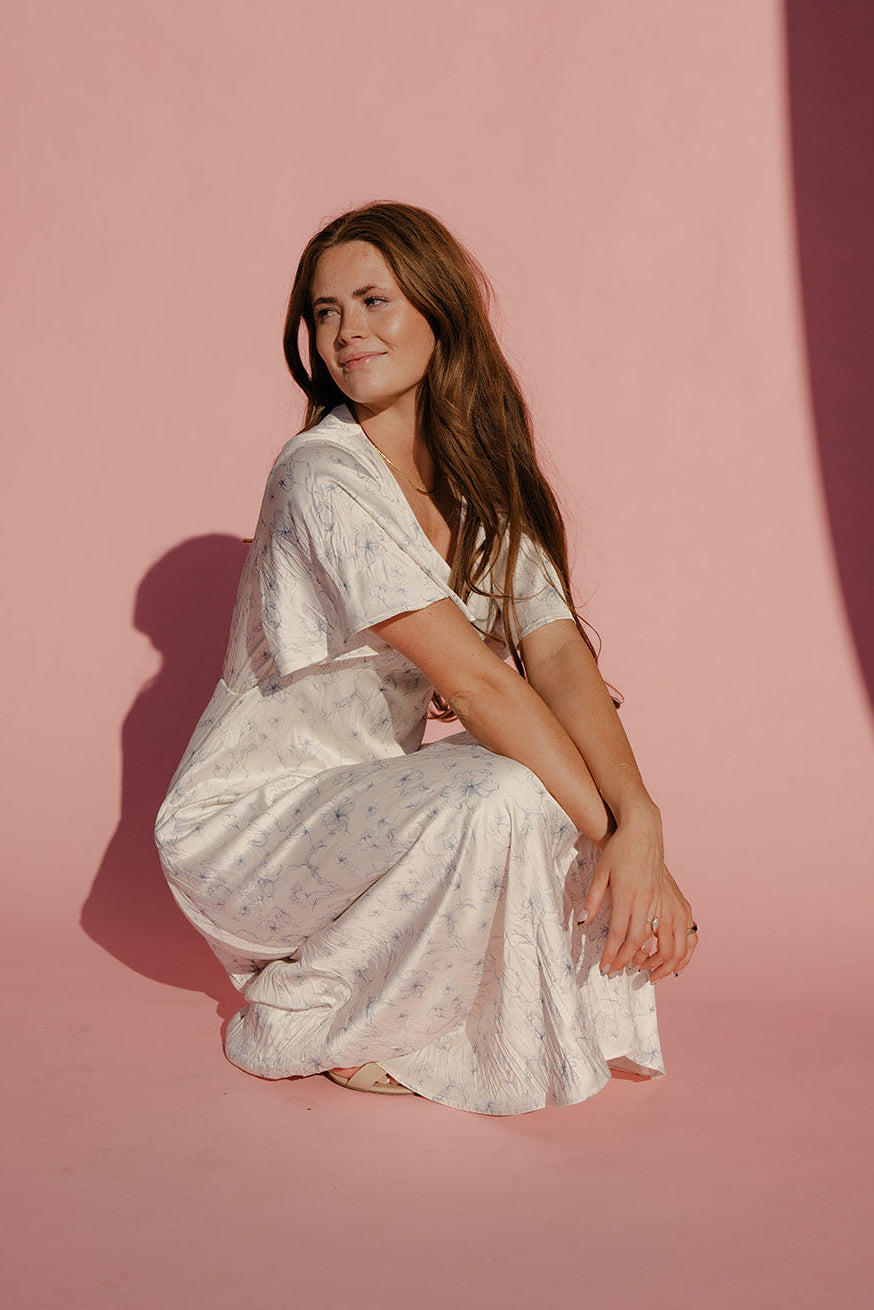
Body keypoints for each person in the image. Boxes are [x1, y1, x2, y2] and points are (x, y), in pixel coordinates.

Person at [154, 200, 698, 1115]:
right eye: (324, 312)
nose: (346, 333)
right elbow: (479, 682)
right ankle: (310, 1017)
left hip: (369, 805)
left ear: (441, 313)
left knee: (545, 783)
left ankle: (429, 1009)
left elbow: (555, 654)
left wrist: (640, 821)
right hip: (250, 825)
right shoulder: (321, 473)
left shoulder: (478, 475)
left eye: (374, 301)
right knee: (518, 786)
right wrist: (622, 846)